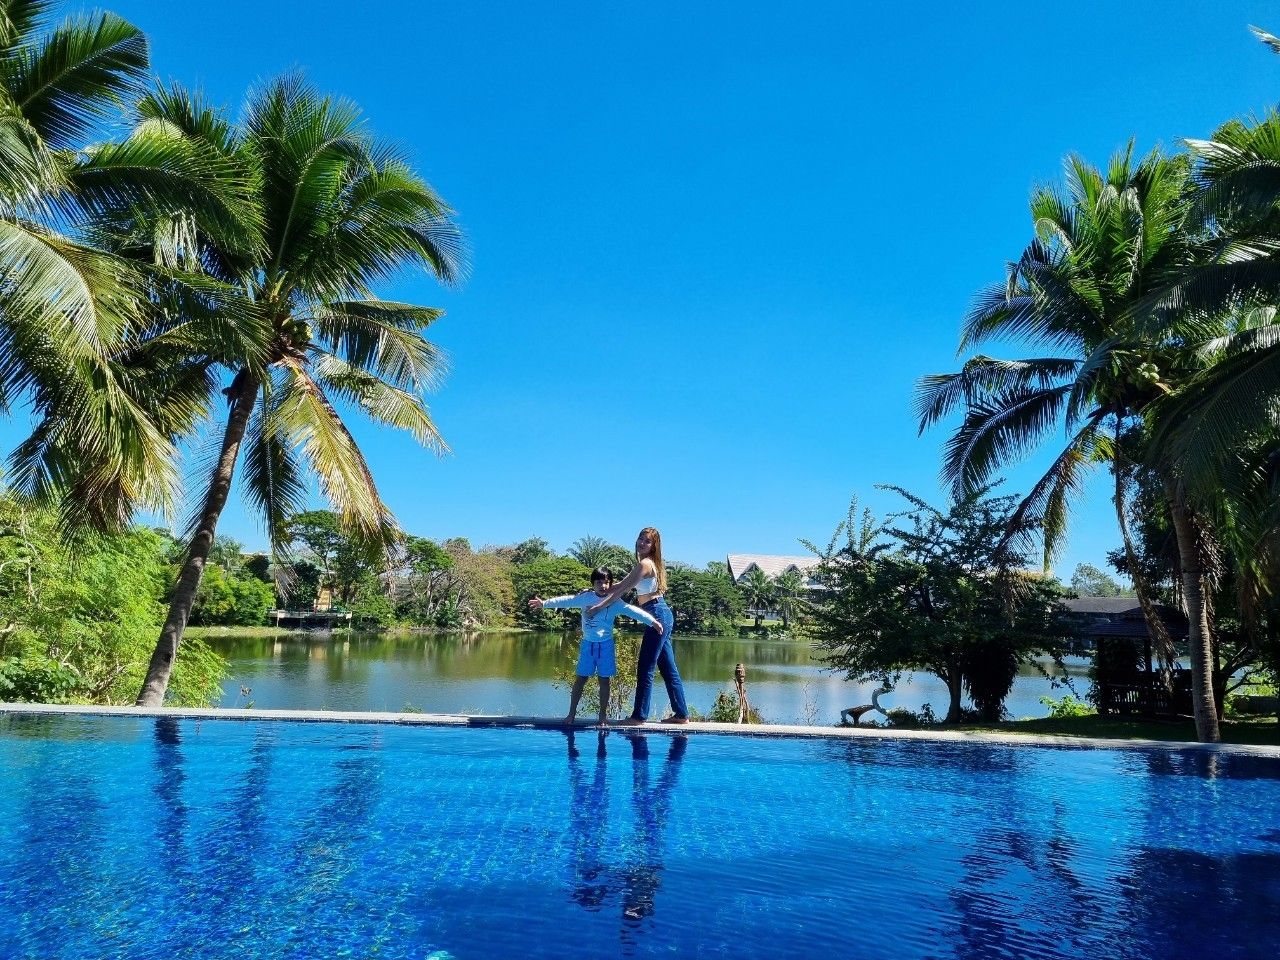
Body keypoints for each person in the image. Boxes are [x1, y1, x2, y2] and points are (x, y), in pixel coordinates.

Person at [529, 567, 661, 726]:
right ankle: (571, 714)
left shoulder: (614, 601)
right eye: (599, 582)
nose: (603, 586)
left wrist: (652, 622)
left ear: (610, 584)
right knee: (580, 679)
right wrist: (544, 604)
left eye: (607, 582)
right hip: (588, 646)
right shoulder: (586, 598)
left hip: (606, 646)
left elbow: (632, 611)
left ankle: (602, 716)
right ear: (593, 583)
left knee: (604, 681)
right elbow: (566, 600)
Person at [588, 527, 689, 725]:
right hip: (659, 614)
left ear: (654, 546)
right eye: (640, 539)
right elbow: (618, 586)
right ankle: (681, 714)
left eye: (647, 541)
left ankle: (639, 716)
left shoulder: (645, 564)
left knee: (645, 667)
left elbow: (621, 591)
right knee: (668, 668)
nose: (642, 543)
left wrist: (598, 607)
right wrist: (594, 591)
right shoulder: (646, 564)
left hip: (656, 614)